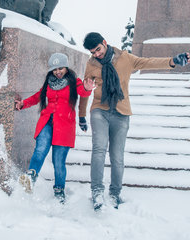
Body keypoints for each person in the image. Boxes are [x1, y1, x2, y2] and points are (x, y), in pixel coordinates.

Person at [78, 32, 190, 211]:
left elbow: (148, 62)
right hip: (100, 110)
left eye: (98, 50)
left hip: (121, 112)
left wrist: (173, 61)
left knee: (117, 156)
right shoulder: (91, 64)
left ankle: (115, 193)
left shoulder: (125, 58)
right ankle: (97, 192)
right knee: (99, 150)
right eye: (93, 53)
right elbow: (84, 90)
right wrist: (82, 113)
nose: (97, 55)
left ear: (105, 43)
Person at [15, 53, 94, 203]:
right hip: (47, 122)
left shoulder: (74, 82)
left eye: (60, 68)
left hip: (64, 126)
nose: (57, 72)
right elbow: (38, 96)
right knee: (40, 150)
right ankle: (29, 181)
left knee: (58, 161)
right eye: (54, 69)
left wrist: (87, 88)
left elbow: (82, 91)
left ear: (66, 67)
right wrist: (23, 104)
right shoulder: (49, 82)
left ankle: (59, 190)